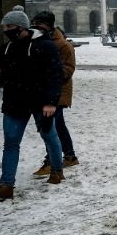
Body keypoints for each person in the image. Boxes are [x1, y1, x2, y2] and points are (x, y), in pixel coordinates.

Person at [0, 7, 65, 201]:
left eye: (10, 26)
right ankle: (6, 186)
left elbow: (55, 76)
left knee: (49, 136)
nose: (6, 30)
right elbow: (3, 75)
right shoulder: (6, 48)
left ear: (22, 27)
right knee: (11, 143)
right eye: (5, 27)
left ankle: (57, 171)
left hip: (41, 102)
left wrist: (51, 102)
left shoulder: (45, 46)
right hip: (15, 103)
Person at [30, 11, 79, 177]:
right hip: (44, 90)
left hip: (58, 91)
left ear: (48, 26)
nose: (36, 27)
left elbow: (69, 69)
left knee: (49, 127)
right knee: (58, 126)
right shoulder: (36, 41)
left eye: (39, 24)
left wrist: (50, 74)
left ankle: (51, 161)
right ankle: (70, 155)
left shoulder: (63, 45)